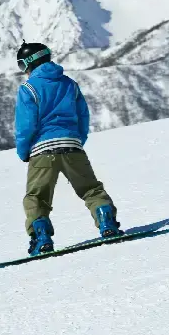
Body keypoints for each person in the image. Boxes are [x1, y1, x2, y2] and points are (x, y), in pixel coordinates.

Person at [14, 41, 123, 256]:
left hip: (42, 151)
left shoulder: (28, 89)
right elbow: (83, 116)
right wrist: (77, 141)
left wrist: (23, 150)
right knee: (91, 189)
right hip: (72, 147)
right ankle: (107, 224)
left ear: (28, 63)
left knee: (37, 197)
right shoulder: (70, 84)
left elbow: (26, 125)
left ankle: (41, 238)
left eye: (21, 66)